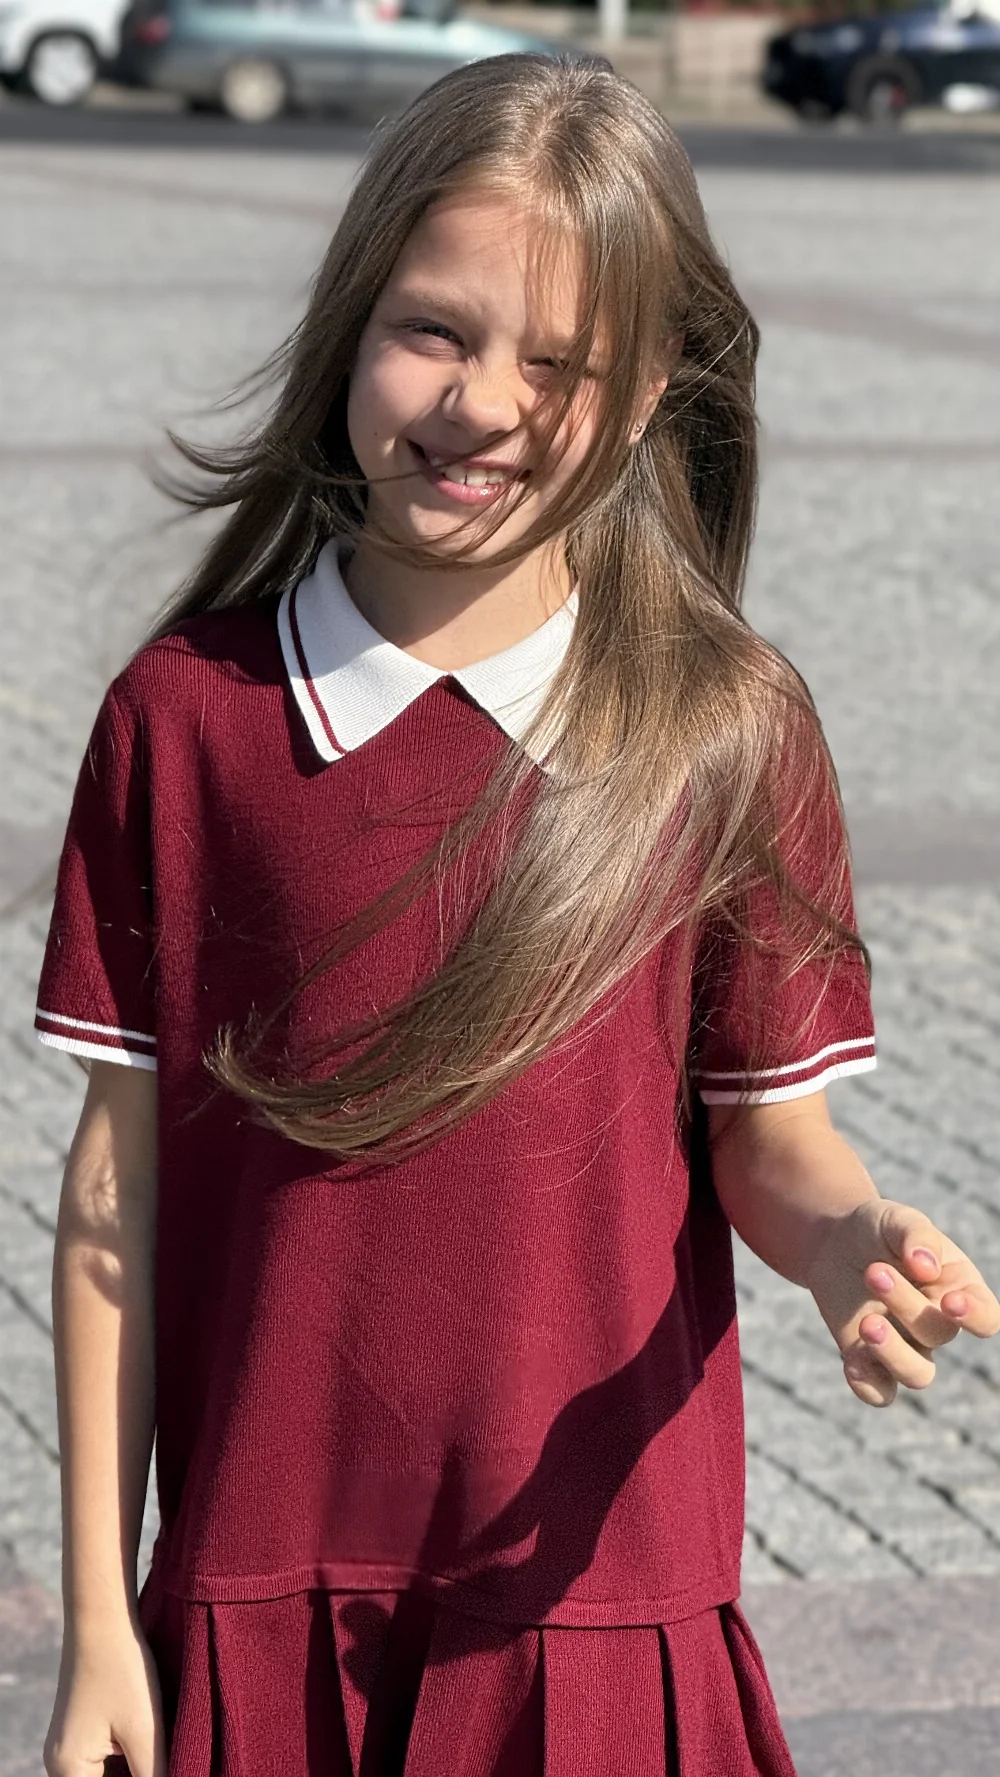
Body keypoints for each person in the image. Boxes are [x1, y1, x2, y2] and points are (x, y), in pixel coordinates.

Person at [39, 54, 998, 1777]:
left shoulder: (725, 727)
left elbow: (767, 1139)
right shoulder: (184, 720)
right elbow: (117, 1192)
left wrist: (853, 1246)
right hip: (256, 1598)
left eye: (558, 362)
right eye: (434, 329)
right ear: (350, 321)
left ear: (646, 399)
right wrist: (102, 1620)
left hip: (597, 1609)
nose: (481, 400)